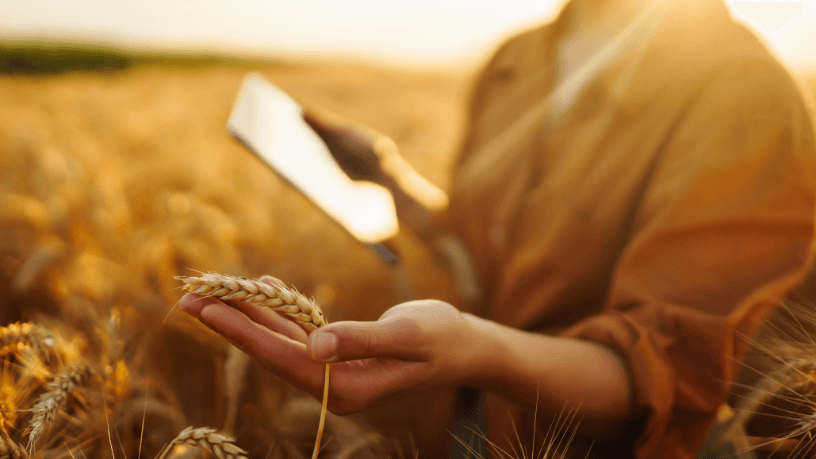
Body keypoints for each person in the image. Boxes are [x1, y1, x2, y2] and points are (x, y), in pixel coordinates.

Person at [180, 0, 816, 456]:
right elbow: (482, 247)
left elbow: (665, 377)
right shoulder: (518, 58)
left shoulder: (742, 91)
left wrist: (475, 350)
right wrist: (388, 176)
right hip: (467, 422)